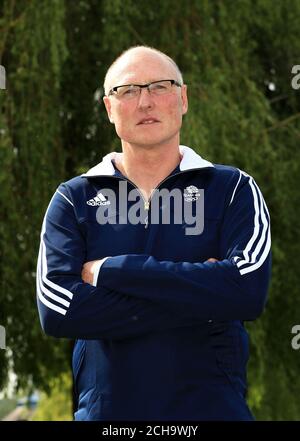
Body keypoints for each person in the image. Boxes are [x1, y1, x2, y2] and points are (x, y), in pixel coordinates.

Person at [36, 46, 271, 421]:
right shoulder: (74, 198)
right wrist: (203, 292)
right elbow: (59, 312)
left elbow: (247, 292)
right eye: (128, 91)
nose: (145, 101)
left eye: (160, 86)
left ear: (183, 99)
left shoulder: (233, 189)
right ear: (109, 109)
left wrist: (114, 272)